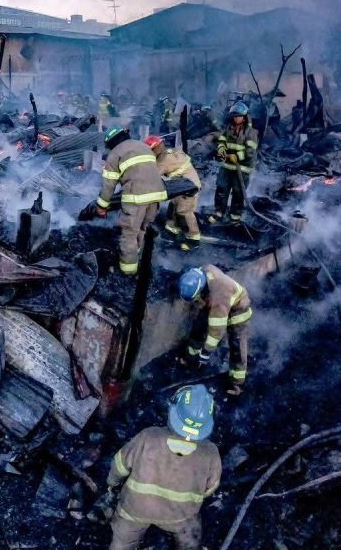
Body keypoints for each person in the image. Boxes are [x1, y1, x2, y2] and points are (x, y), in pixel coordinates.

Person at [94, 384, 221, 550]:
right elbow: (209, 489)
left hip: (136, 508)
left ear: (173, 413)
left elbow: (119, 466)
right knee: (190, 532)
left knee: (123, 539)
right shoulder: (210, 452)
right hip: (177, 516)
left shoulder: (148, 436)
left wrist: (112, 484)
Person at [96, 126, 167, 275]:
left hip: (136, 197)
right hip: (157, 195)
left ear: (111, 143)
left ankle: (128, 272)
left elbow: (109, 185)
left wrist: (102, 206)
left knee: (128, 234)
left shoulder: (115, 154)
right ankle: (137, 256)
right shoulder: (143, 146)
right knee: (142, 228)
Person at [178, 265, 252, 395]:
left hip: (237, 309)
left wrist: (206, 353)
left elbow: (216, 332)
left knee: (237, 345)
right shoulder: (202, 272)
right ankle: (190, 359)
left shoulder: (219, 299)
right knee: (199, 328)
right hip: (214, 301)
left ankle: (237, 383)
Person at [145, 136, 202, 249]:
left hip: (189, 188)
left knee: (184, 211)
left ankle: (193, 239)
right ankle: (172, 229)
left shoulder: (164, 162)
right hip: (181, 185)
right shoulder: (169, 152)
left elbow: (151, 177)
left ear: (155, 149)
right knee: (174, 205)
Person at [209, 102, 259, 223]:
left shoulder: (251, 133)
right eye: (235, 116)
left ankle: (235, 217)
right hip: (227, 166)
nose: (236, 118)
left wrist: (236, 156)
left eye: (239, 116)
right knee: (221, 189)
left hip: (242, 169)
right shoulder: (228, 128)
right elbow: (222, 140)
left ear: (245, 117)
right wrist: (221, 148)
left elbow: (250, 152)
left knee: (238, 192)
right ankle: (219, 213)